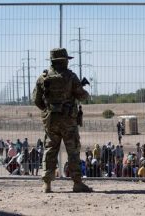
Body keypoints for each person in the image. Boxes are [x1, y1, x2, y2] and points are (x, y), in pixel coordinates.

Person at [33, 48, 92, 193]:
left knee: (50, 150)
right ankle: (77, 182)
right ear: (64, 60)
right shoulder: (71, 76)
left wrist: (49, 110)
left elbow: (36, 100)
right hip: (68, 121)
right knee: (73, 151)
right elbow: (82, 96)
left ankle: (47, 184)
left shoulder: (43, 77)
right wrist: (84, 93)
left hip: (51, 121)